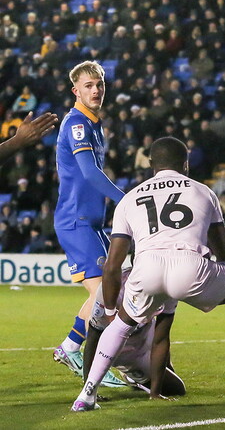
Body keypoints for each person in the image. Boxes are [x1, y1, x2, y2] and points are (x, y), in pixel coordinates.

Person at [71, 137, 225, 411]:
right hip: (189, 266)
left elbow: (112, 266)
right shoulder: (204, 192)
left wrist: (110, 308)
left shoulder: (130, 198)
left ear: (150, 165)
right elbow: (224, 252)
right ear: (186, 164)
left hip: (146, 268)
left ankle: (87, 395)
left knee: (120, 325)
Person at [53, 61, 127, 387]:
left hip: (93, 222)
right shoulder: (77, 124)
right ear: (76, 90)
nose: (95, 90)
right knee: (105, 295)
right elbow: (88, 172)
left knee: (111, 292)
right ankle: (86, 357)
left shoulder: (95, 125)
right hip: (76, 220)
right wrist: (127, 199)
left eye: (99, 84)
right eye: (88, 85)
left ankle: (71, 346)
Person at [82, 268, 186, 397]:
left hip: (147, 332)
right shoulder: (112, 288)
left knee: (173, 382)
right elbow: (93, 336)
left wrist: (155, 393)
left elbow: (162, 335)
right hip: (126, 351)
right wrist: (88, 390)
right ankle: (131, 374)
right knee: (176, 389)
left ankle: (141, 378)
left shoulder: (165, 283)